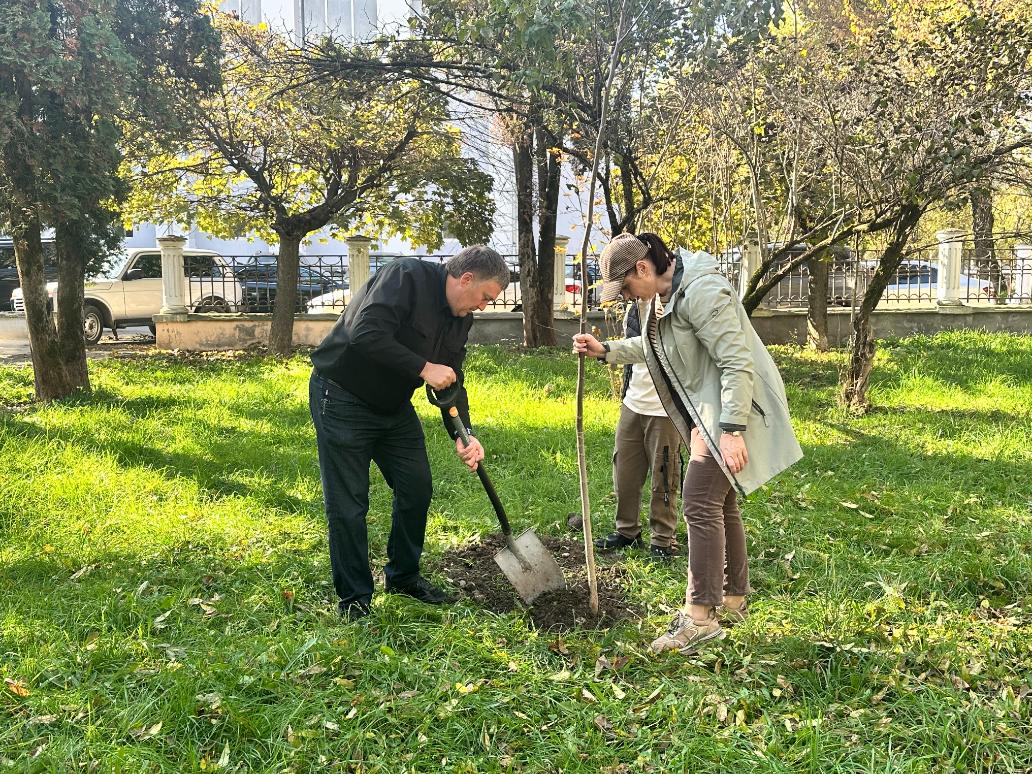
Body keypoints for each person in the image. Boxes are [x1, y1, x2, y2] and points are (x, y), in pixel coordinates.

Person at [572, 232, 803, 655]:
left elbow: (736, 362)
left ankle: (699, 618)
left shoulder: (701, 291)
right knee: (721, 503)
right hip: (708, 410)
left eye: (624, 287)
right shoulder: (663, 296)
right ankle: (732, 600)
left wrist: (731, 430)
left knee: (698, 500)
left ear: (643, 269)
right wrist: (607, 350)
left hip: (734, 409)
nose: (625, 297)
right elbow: (656, 347)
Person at [309, 246, 509, 621]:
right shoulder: (405, 277)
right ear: (466, 279)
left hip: (392, 407)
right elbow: (363, 332)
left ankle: (403, 575)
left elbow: (450, 380)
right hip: (341, 397)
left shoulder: (459, 318)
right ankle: (354, 600)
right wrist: (423, 366)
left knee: (416, 488)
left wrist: (464, 433)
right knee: (349, 502)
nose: (483, 306)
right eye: (485, 297)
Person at [593, 301, 684, 558]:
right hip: (633, 403)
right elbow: (633, 354)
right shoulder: (634, 309)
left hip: (665, 409)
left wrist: (665, 316)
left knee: (664, 476)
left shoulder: (675, 305)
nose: (624, 292)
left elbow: (668, 351)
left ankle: (663, 539)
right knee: (624, 471)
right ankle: (626, 531)